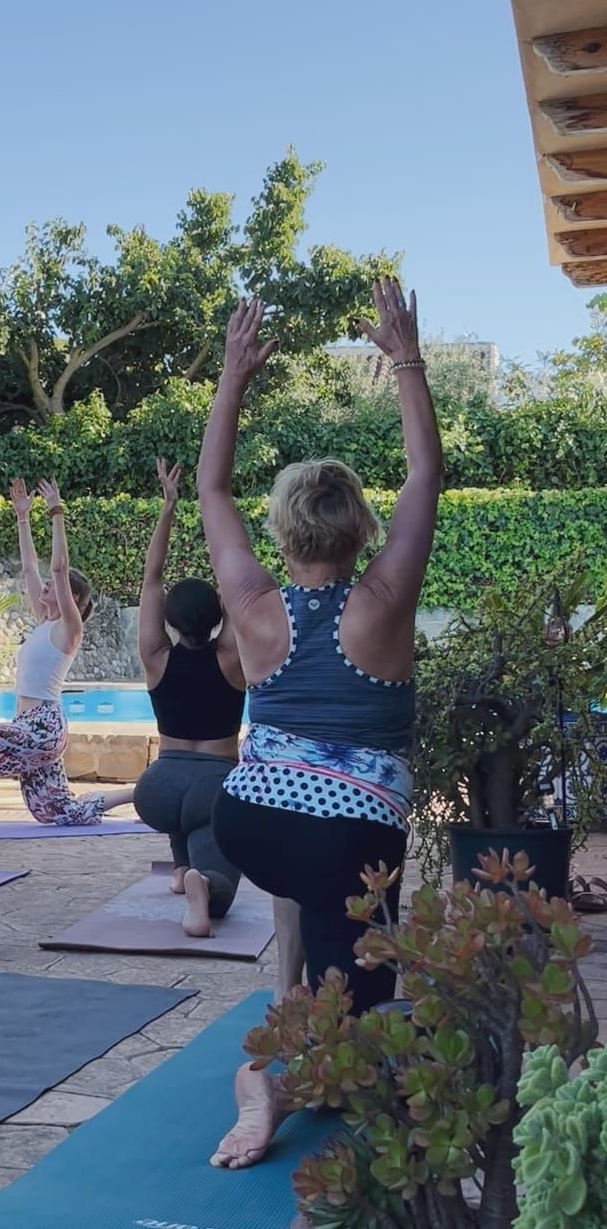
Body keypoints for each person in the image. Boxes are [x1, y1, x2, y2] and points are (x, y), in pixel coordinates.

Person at [199, 282, 442, 1168]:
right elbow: (426, 472)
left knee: (302, 875)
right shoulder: (382, 602)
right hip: (343, 836)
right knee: (368, 1014)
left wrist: (233, 374)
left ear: (284, 531)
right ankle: (272, 1087)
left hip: (250, 822)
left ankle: (292, 990)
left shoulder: (255, 604)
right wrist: (405, 357)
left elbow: (211, 483)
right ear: (360, 528)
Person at [0, 476, 136, 830]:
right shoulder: (44, 622)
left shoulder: (68, 629)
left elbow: (59, 568)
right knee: (57, 812)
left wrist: (56, 511)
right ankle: (135, 793)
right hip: (27, 726)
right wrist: (22, 516)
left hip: (43, 728)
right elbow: (31, 567)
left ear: (71, 599)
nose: (45, 585)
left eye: (53, 587)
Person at [132, 457, 247, 938]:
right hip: (214, 787)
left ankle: (181, 869)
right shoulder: (232, 659)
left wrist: (169, 506)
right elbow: (235, 575)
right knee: (224, 870)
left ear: (172, 621)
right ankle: (203, 890)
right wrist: (214, 508)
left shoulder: (156, 655)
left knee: (187, 816)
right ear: (220, 614)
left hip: (157, 790)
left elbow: (152, 577)